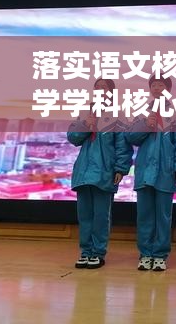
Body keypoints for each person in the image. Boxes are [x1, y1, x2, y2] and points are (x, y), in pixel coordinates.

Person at [126, 74, 176, 272]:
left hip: (166, 171)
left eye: (161, 85)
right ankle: (145, 254)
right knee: (145, 215)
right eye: (153, 85)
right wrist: (146, 124)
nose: (156, 88)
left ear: (168, 89)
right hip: (145, 171)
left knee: (163, 216)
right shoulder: (142, 111)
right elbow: (131, 137)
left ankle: (160, 255)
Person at [67, 78, 133, 269]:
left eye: (104, 87)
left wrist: (121, 168)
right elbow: (73, 137)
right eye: (97, 87)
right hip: (84, 172)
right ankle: (85, 252)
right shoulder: (85, 112)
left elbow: (123, 145)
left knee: (101, 216)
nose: (100, 90)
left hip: (105, 172)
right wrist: (85, 125)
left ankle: (98, 253)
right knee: (85, 215)